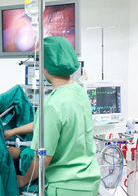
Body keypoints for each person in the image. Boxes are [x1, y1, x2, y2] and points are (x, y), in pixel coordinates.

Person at [7, 36, 101, 196]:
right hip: (89, 182)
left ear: (46, 68)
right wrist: (13, 132)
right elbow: (49, 123)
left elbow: (42, 159)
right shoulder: (79, 92)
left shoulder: (52, 104)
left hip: (65, 187)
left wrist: (23, 180)